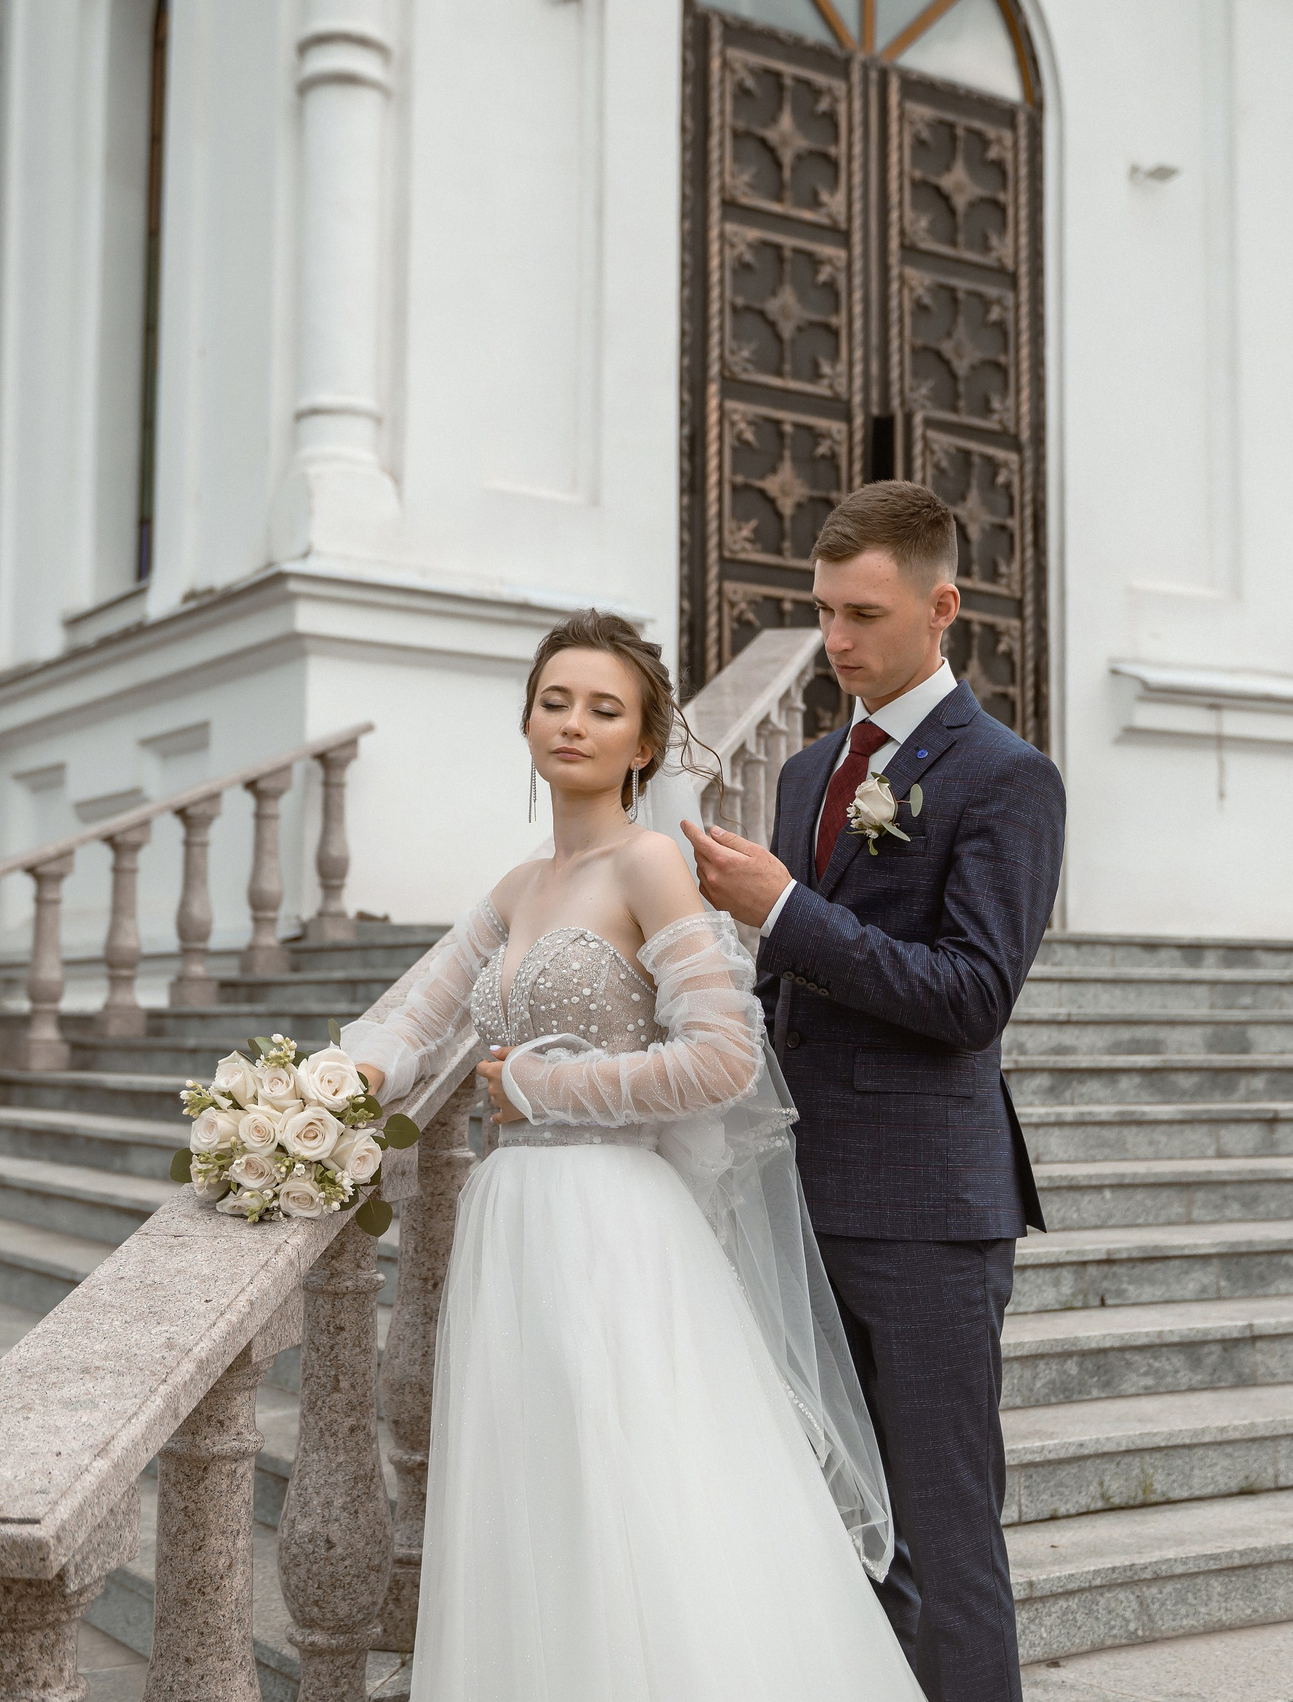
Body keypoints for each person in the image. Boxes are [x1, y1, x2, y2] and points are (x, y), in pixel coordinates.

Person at [342, 609, 925, 1702]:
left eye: (602, 708)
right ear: (525, 721)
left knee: (630, 1496)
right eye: (554, 701)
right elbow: (413, 1018)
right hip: (510, 1226)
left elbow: (721, 1057)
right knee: (539, 1501)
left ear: (643, 744)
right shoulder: (516, 888)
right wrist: (314, 1095)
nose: (573, 723)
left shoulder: (650, 863)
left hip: (613, 1225)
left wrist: (535, 1085)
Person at [686, 480, 1064, 1702]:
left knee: (946, 1541)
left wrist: (786, 912)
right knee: (843, 1530)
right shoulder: (805, 775)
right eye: (824, 611)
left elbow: (969, 996)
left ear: (941, 607)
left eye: (862, 613)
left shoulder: (1006, 777)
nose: (836, 639)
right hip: (802, 1194)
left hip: (927, 1217)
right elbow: (794, 985)